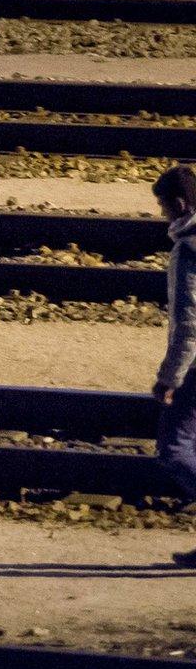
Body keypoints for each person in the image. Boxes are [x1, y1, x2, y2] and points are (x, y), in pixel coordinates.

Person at [149, 165, 196, 567]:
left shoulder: (188, 250)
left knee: (174, 449)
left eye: (164, 208)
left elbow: (188, 325)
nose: (164, 216)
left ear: (179, 206)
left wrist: (169, 378)